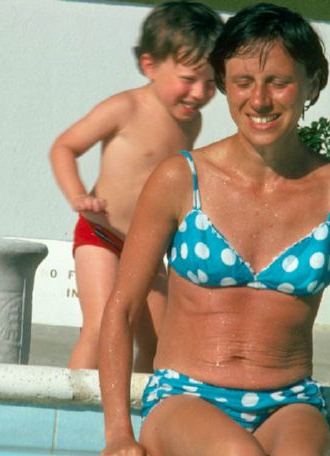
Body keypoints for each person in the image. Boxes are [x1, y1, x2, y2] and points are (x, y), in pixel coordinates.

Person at [99, 2, 330, 456]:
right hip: (185, 395)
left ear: (312, 84)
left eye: (279, 82)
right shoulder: (179, 180)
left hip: (288, 401)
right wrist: (119, 433)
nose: (258, 100)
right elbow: (120, 308)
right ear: (223, 84)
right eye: (242, 82)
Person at [50, 2, 223, 371]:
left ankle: (139, 408)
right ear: (150, 66)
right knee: (101, 328)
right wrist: (78, 196)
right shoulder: (124, 108)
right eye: (189, 79)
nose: (199, 93)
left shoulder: (190, 123)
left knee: (159, 343)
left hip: (146, 247)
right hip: (102, 236)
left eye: (210, 83)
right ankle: (67, 412)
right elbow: (64, 147)